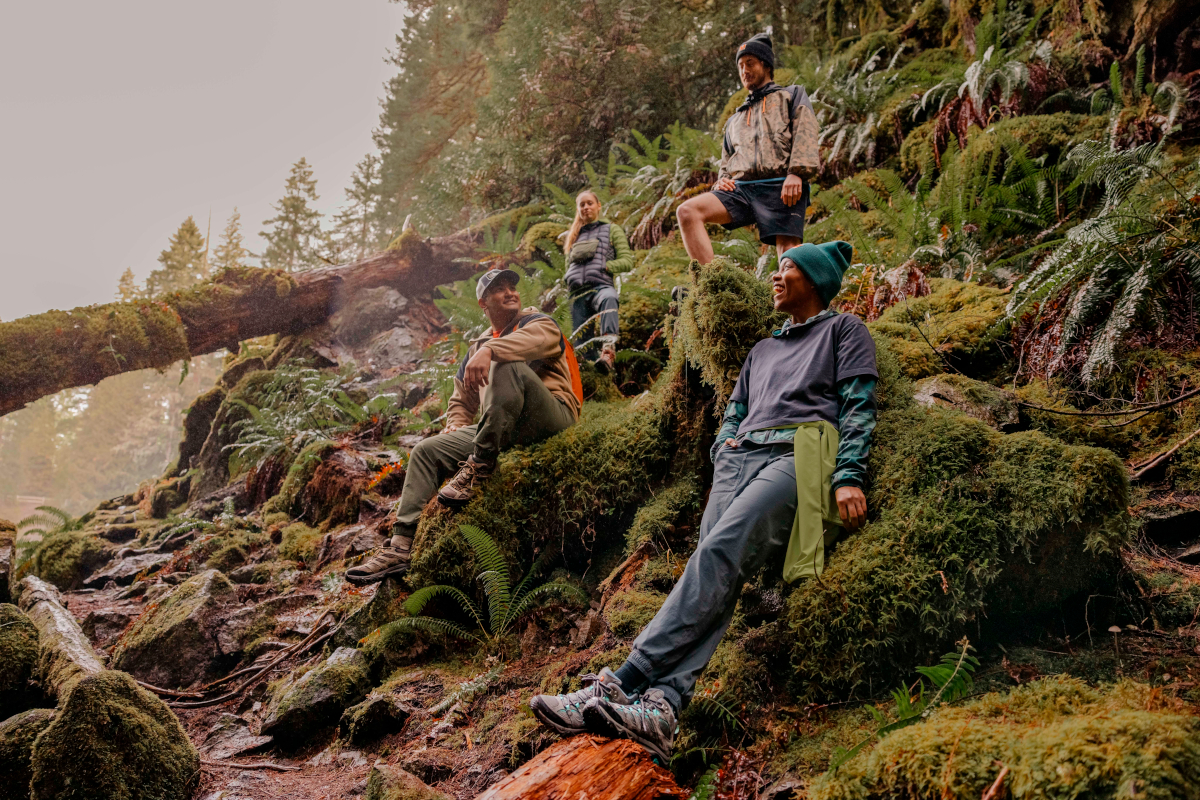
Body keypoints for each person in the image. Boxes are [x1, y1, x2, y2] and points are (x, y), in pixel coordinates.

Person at [528, 241, 877, 761]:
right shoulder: (762, 350)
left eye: (787, 268)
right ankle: (662, 710)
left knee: (718, 554)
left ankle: (620, 681)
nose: (776, 276)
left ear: (815, 280)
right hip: (740, 458)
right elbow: (735, 408)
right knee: (715, 570)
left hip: (799, 455)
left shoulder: (844, 330)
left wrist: (849, 475)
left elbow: (858, 404)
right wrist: (724, 444)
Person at [346, 267, 583, 586]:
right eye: (499, 289)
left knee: (504, 363)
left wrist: (491, 351)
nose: (510, 293)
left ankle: (480, 465)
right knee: (426, 451)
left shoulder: (537, 322)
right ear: (483, 303)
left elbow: (537, 342)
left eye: (512, 287)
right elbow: (462, 400)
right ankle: (401, 546)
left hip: (553, 415)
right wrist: (455, 425)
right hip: (503, 426)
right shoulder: (477, 347)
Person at [675, 32, 820, 266]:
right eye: (740, 66)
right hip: (741, 190)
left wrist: (797, 173)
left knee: (788, 256)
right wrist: (722, 179)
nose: (744, 70)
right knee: (687, 212)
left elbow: (806, 133)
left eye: (750, 63)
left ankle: (790, 289)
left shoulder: (791, 96)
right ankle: (711, 282)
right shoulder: (735, 119)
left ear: (766, 65)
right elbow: (727, 159)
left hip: (781, 185)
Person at [562, 190, 634, 373]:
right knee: (581, 344)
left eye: (590, 203)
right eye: (582, 205)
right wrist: (567, 279)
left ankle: (608, 352)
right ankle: (591, 374)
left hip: (601, 286)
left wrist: (606, 266)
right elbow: (568, 266)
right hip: (577, 293)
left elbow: (627, 261)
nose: (586, 207)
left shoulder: (611, 229)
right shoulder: (573, 236)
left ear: (598, 206)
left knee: (609, 299)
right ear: (578, 209)